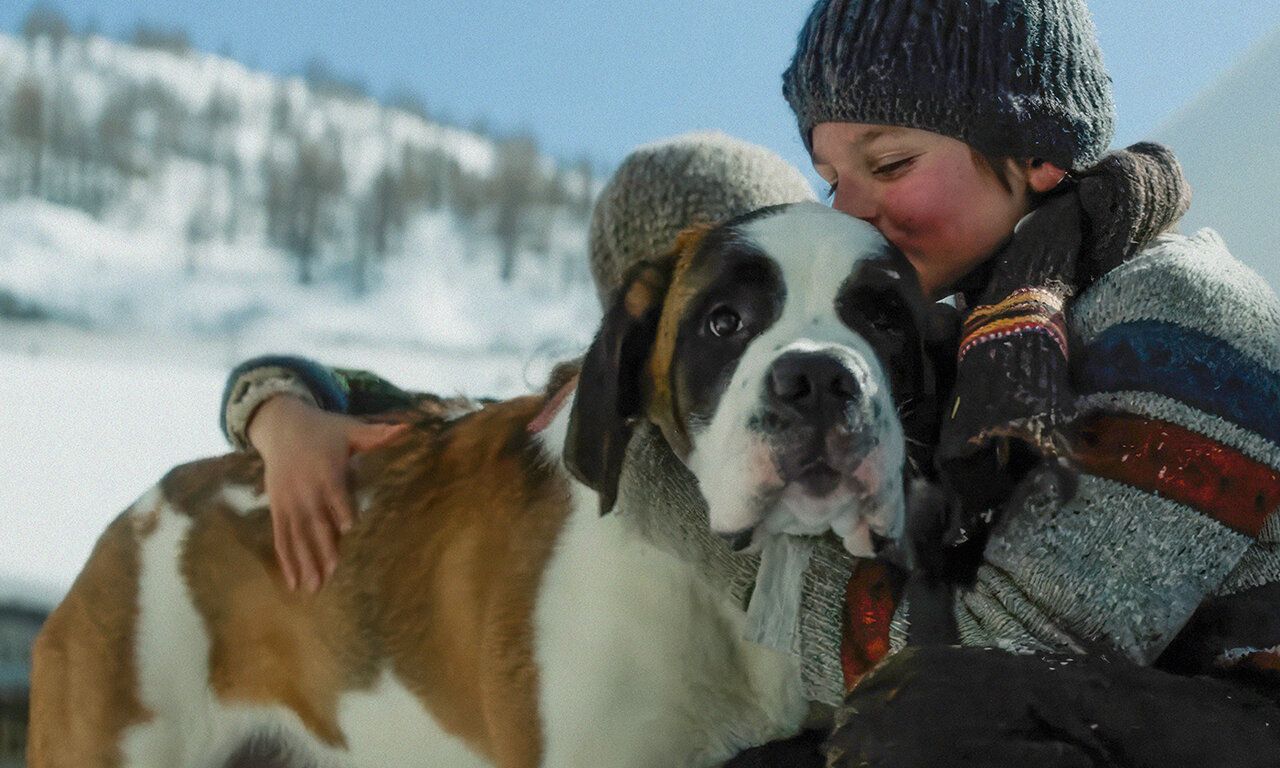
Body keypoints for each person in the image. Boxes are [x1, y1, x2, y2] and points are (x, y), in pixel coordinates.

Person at [223, 0, 1280, 759]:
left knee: (932, 724)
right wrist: (293, 396)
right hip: (1106, 713)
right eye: (831, 177)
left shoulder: (1175, 321)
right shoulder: (996, 326)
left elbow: (995, 658)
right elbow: (559, 400)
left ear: (1038, 153)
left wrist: (678, 491)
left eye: (890, 163)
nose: (851, 211)